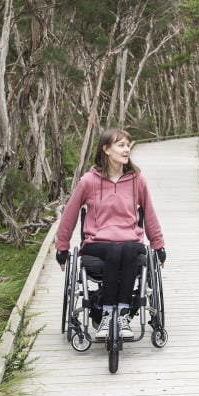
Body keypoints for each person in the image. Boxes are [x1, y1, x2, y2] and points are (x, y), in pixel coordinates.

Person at [55, 128, 166, 339]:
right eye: (121, 145)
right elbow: (69, 214)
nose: (126, 150)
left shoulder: (137, 180)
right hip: (97, 242)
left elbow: (149, 213)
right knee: (117, 250)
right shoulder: (88, 181)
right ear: (106, 149)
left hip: (130, 241)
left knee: (126, 248)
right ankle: (108, 316)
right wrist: (62, 248)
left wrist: (158, 246)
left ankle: (121, 316)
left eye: (127, 145)